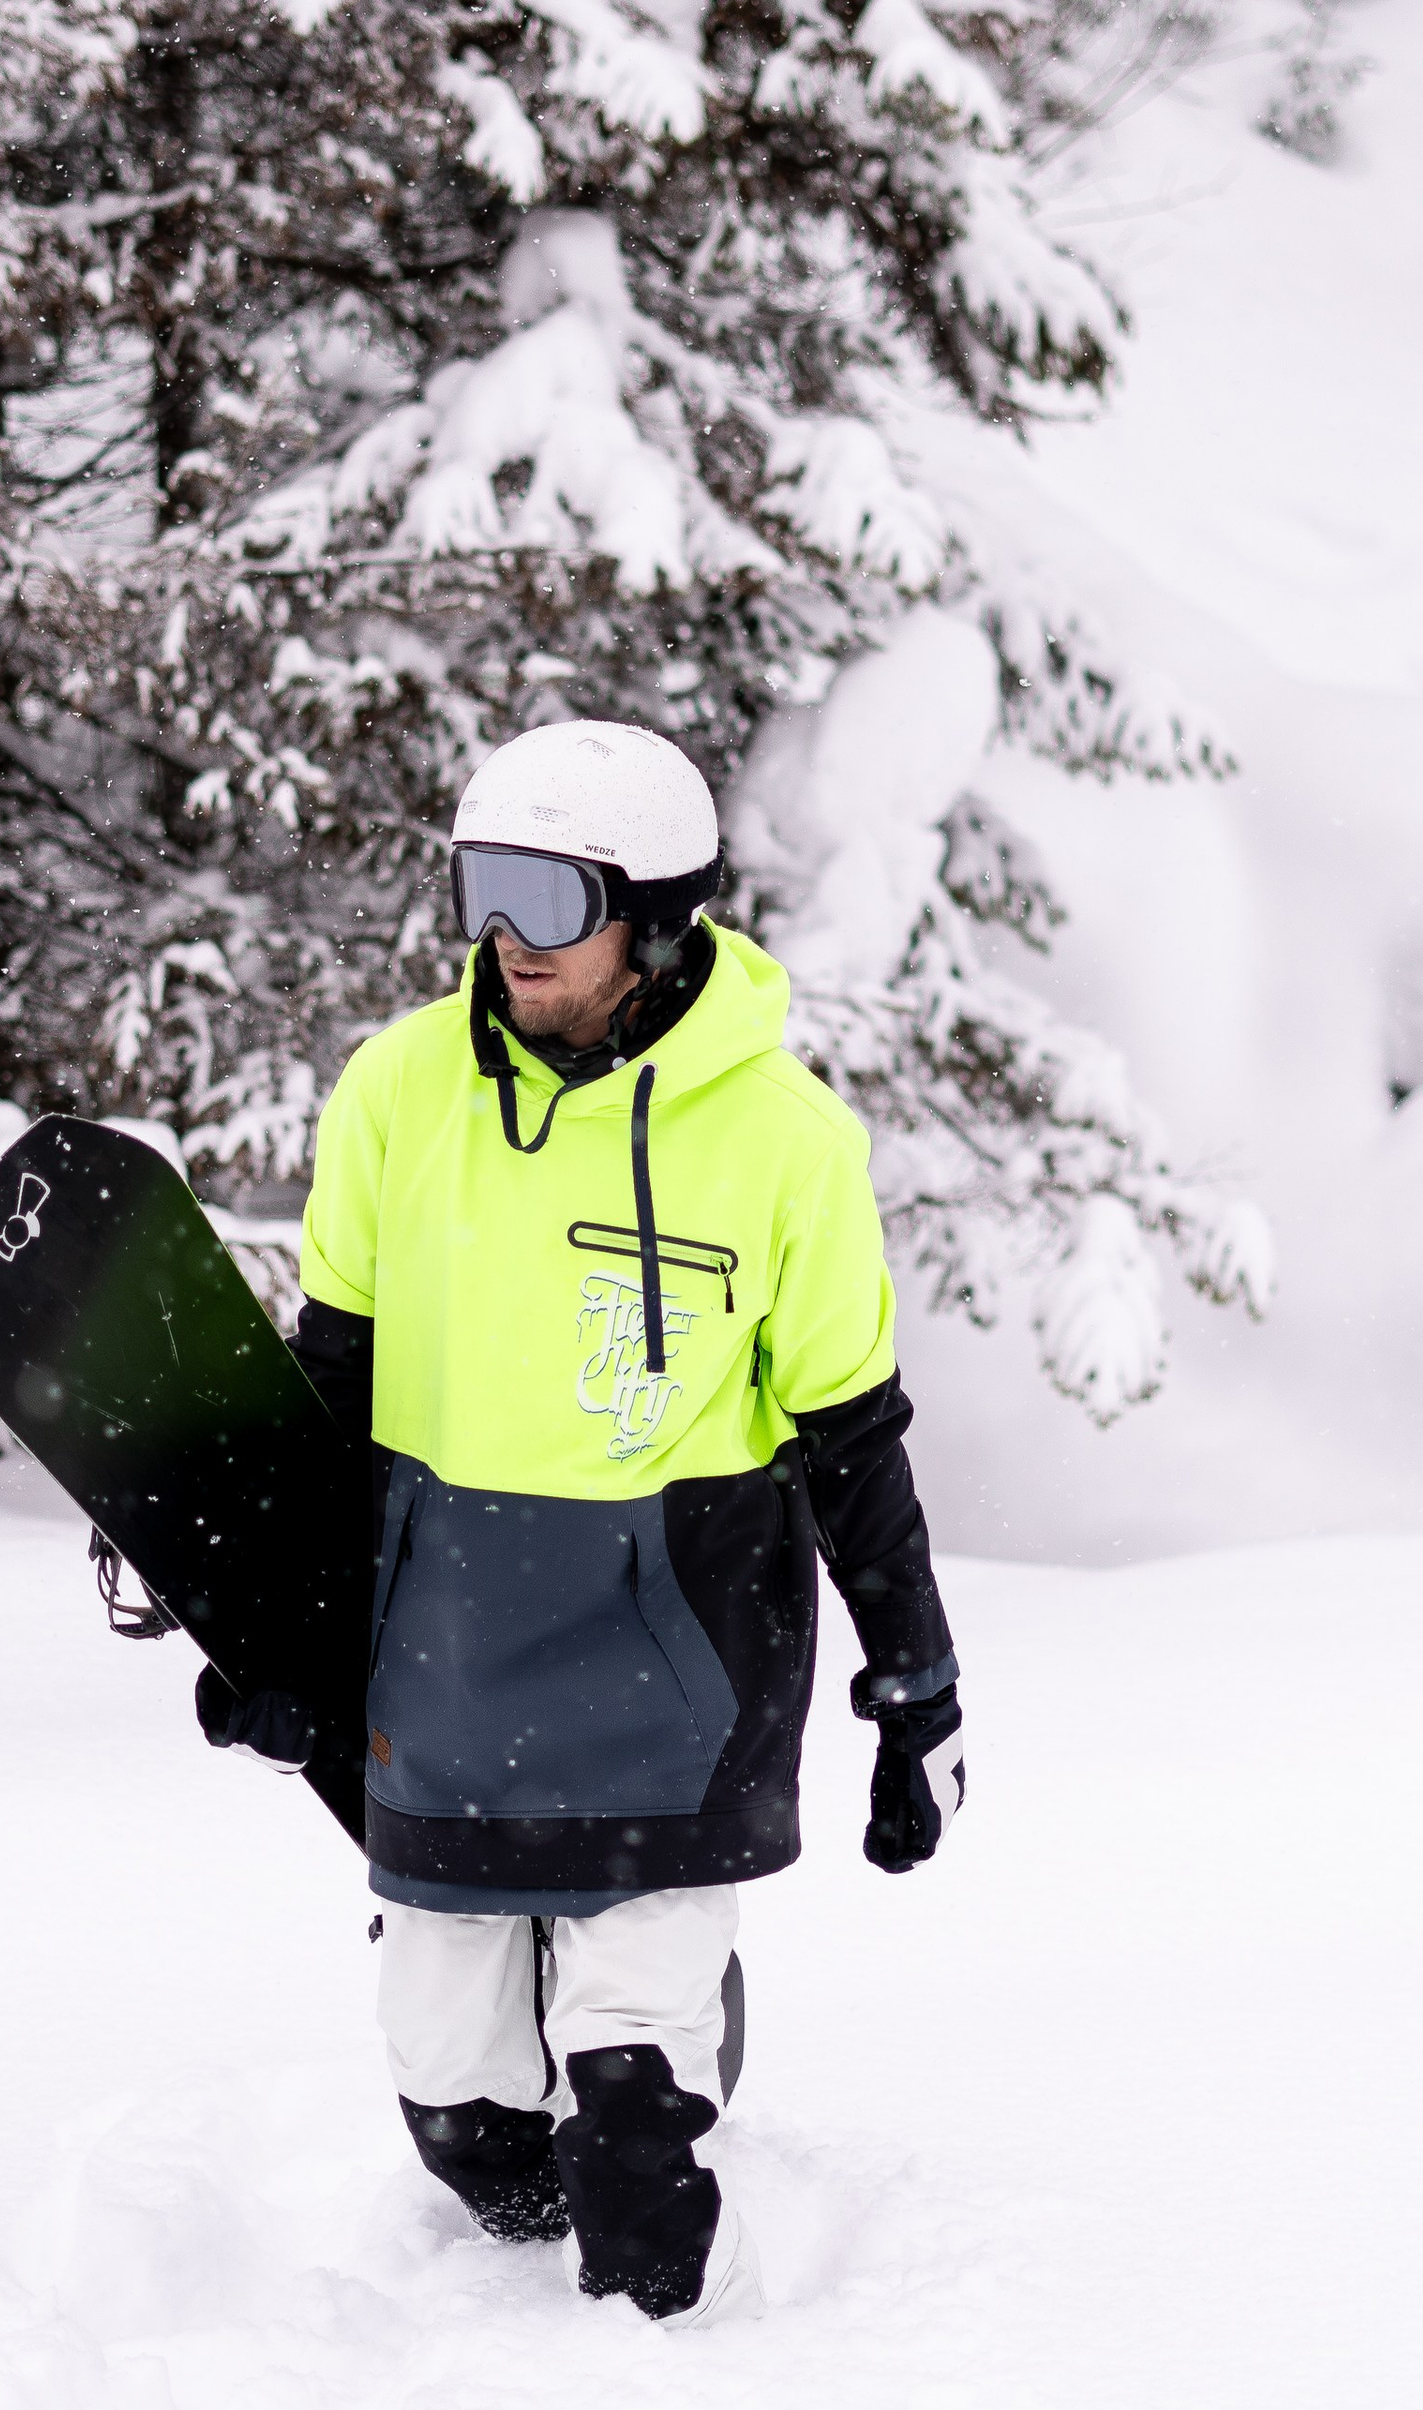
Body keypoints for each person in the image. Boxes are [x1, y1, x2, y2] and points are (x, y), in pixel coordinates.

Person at [196, 717, 966, 2328]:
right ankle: (601, 2024)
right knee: (478, 2138)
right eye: (484, 887)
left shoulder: (787, 1144)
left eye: (548, 899)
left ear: (659, 917)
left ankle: (683, 2376)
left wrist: (917, 1687)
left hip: (672, 1676)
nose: (502, 936)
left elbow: (851, 1436)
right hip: (453, 1668)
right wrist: (270, 1625)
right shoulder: (399, 1091)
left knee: (635, 2189)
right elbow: (329, 1391)